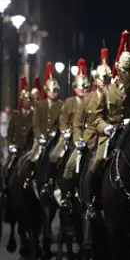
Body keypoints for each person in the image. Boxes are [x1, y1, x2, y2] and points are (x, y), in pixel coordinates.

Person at [85, 30, 130, 219]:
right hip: (111, 135)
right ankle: (92, 202)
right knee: (96, 163)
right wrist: (105, 127)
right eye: (124, 70)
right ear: (117, 69)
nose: (127, 74)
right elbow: (96, 118)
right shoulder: (107, 92)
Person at [60, 49, 110, 209]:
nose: (105, 82)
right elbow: (76, 123)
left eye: (108, 79)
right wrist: (78, 141)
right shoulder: (87, 99)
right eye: (103, 79)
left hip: (106, 137)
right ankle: (67, 196)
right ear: (96, 80)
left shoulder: (111, 97)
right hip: (87, 139)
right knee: (69, 165)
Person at [46, 59, 89, 193]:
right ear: (74, 88)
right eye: (79, 87)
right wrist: (64, 131)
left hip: (86, 134)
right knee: (55, 155)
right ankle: (51, 181)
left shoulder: (91, 100)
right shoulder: (69, 102)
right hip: (69, 134)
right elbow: (63, 119)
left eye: (85, 87)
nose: (82, 90)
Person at [31, 63, 63, 163]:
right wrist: (40, 136)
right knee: (34, 156)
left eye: (55, 90)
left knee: (59, 155)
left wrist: (56, 132)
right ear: (46, 90)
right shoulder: (40, 105)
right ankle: (31, 176)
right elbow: (36, 124)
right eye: (50, 90)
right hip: (41, 138)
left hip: (55, 139)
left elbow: (62, 122)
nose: (52, 92)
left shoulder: (62, 105)